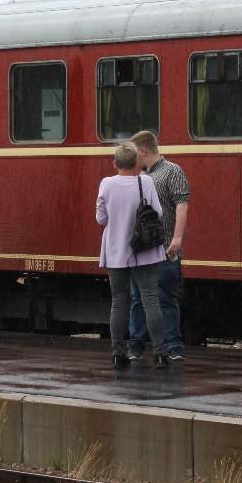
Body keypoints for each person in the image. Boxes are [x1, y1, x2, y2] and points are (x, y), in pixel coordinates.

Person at [97, 143, 168, 369]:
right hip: (144, 250)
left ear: (115, 163)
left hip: (116, 251)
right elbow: (158, 212)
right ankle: (160, 354)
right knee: (150, 300)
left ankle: (118, 354)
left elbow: (101, 219)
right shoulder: (145, 182)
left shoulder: (106, 184)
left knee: (119, 302)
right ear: (137, 163)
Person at [128, 130, 190, 362]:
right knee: (138, 298)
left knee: (165, 297)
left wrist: (177, 238)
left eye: (136, 154)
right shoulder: (140, 176)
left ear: (143, 151)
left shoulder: (172, 171)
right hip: (142, 249)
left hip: (165, 247)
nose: (135, 159)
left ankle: (172, 345)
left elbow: (182, 204)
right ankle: (137, 343)